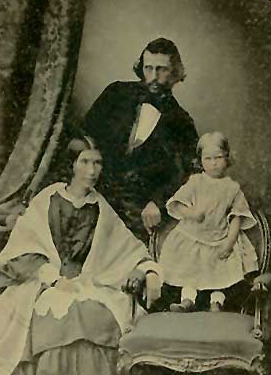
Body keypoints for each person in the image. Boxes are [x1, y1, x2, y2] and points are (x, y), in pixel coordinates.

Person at [0, 136, 162, 375]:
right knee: (51, 316)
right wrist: (52, 278)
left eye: (98, 163)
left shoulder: (100, 208)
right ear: (71, 166)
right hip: (42, 281)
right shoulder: (48, 200)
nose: (92, 170)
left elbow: (129, 249)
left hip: (88, 282)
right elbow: (20, 250)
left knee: (93, 313)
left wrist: (144, 269)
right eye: (85, 162)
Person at [82, 37, 198, 242]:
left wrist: (158, 202)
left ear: (175, 73)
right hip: (94, 188)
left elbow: (188, 173)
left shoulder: (181, 122)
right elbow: (84, 135)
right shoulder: (115, 93)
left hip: (138, 207)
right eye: (148, 68)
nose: (153, 77)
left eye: (161, 70)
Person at [159, 131, 259, 313]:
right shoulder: (195, 182)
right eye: (208, 158)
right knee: (190, 272)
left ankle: (216, 302)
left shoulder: (232, 188)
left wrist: (229, 243)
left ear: (227, 158)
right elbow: (177, 204)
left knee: (219, 273)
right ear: (200, 161)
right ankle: (187, 301)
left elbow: (237, 217)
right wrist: (192, 213)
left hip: (219, 237)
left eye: (218, 158)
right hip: (193, 236)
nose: (213, 163)